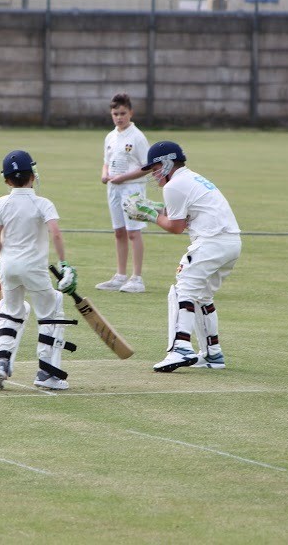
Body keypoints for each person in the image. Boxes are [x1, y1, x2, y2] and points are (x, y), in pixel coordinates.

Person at [123, 141, 241, 372]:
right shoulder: (191, 178)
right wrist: (154, 207)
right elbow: (182, 214)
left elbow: (176, 226)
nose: (153, 174)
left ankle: (180, 348)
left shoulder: (174, 185)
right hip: (231, 243)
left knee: (183, 288)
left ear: (167, 163)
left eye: (155, 168)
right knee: (203, 296)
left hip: (212, 242)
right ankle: (212, 354)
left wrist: (148, 214)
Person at [0, 150, 78, 390]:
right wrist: (64, 265)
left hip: (8, 267)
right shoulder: (42, 203)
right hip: (34, 268)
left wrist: (2, 259)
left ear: (6, 180)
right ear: (33, 175)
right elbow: (55, 232)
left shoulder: (2, 202)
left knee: (11, 311)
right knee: (51, 309)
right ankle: (47, 373)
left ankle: (1, 361)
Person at [96, 92, 152, 293]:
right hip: (114, 188)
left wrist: (124, 177)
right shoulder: (110, 136)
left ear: (130, 113)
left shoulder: (137, 137)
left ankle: (137, 277)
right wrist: (105, 174)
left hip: (132, 189)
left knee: (133, 232)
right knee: (119, 232)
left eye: (122, 113)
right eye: (115, 114)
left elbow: (148, 166)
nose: (119, 117)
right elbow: (106, 161)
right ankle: (120, 275)